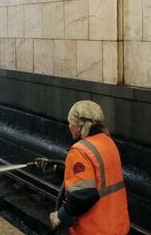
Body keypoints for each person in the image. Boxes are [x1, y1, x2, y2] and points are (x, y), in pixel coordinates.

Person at [34, 100, 129, 234]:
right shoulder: (108, 142)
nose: (69, 126)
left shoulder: (79, 151)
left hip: (95, 229)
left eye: (71, 122)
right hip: (116, 226)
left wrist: (60, 215)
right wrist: (55, 168)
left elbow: (83, 195)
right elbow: (95, 180)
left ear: (79, 127)